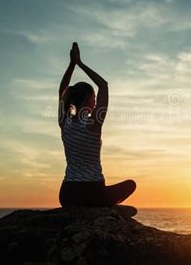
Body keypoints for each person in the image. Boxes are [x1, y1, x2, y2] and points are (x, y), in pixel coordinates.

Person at [58, 42, 136, 208]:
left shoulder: (64, 122)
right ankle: (110, 207)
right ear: (88, 99)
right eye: (94, 98)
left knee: (115, 192)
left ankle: (108, 205)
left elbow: (62, 90)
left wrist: (71, 64)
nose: (95, 102)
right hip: (93, 194)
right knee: (131, 184)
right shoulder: (94, 122)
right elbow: (104, 85)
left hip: (67, 195)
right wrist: (80, 63)